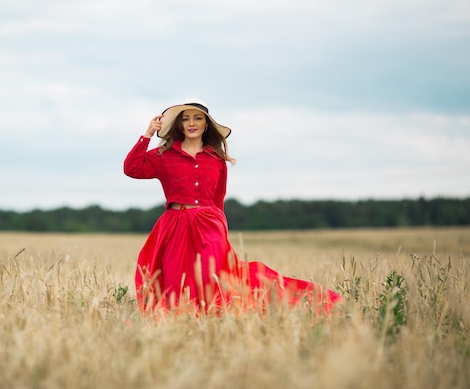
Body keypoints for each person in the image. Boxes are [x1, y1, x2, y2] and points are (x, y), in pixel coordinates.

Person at [124, 101, 342, 316]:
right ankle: (183, 320)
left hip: (209, 225)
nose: (191, 123)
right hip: (176, 225)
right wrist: (147, 135)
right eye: (185, 119)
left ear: (206, 125)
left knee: (213, 277)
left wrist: (219, 230)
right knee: (175, 280)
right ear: (179, 125)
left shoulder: (216, 159)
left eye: (197, 118)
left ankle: (216, 316)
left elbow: (218, 198)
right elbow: (132, 168)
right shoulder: (164, 155)